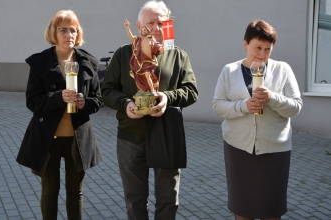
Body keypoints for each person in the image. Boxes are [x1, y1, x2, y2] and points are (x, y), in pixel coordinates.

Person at [101, 1, 198, 219]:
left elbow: (191, 91)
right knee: (135, 201)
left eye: (160, 22)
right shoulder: (124, 54)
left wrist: (168, 97)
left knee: (168, 201)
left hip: (166, 134)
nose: (155, 27)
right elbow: (106, 90)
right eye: (150, 22)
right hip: (130, 136)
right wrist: (125, 104)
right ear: (138, 26)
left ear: (167, 24)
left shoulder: (178, 56)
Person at [16, 10, 102, 220]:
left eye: (73, 30)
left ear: (78, 33)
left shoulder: (88, 62)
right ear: (54, 33)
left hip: (77, 139)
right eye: (63, 29)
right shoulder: (40, 62)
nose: (68, 34)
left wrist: (84, 102)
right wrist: (58, 97)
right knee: (49, 193)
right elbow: (32, 102)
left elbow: (98, 100)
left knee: (75, 192)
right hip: (48, 138)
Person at [212, 20, 303, 220]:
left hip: (274, 151)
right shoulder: (229, 71)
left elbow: (296, 106)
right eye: (257, 48)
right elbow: (218, 105)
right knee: (242, 210)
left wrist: (272, 98)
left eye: (268, 49)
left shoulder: (283, 70)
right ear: (245, 44)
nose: (262, 54)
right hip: (239, 149)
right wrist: (244, 106)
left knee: (272, 211)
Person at [124, 19, 164, 92]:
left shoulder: (150, 39)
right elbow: (131, 37)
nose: (143, 31)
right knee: (141, 77)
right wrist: (127, 27)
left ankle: (152, 91)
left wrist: (161, 48)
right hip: (140, 62)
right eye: (142, 31)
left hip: (148, 61)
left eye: (144, 30)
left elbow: (156, 45)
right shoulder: (139, 40)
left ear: (147, 31)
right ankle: (143, 90)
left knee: (148, 75)